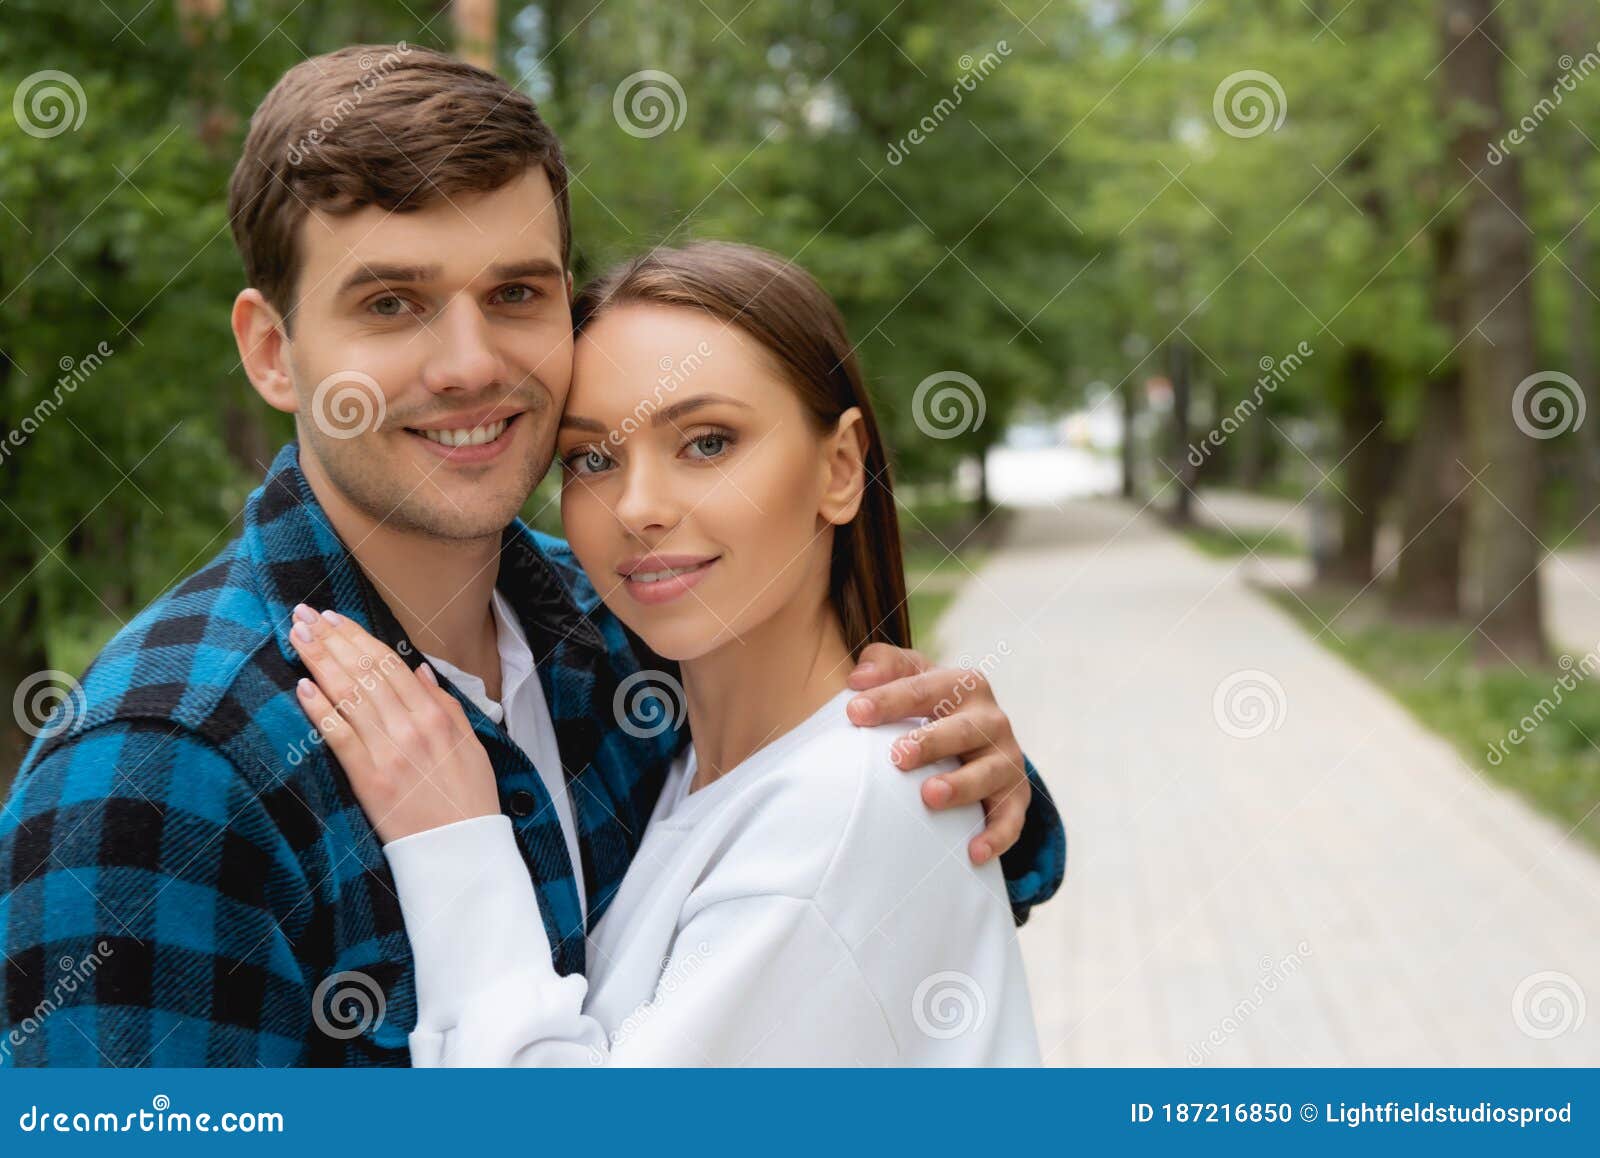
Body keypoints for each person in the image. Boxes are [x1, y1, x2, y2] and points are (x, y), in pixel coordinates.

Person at [0, 45, 1064, 1067]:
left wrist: (988, 795)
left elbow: (822, 940)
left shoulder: (620, 635)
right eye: (391, 303)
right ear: (273, 351)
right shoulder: (167, 761)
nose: (471, 365)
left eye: (514, 293)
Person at [291, 242, 1040, 1065]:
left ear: (839, 467)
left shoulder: (834, 815)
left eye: (708, 442)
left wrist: (460, 850)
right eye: (594, 459)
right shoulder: (685, 757)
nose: (639, 507)